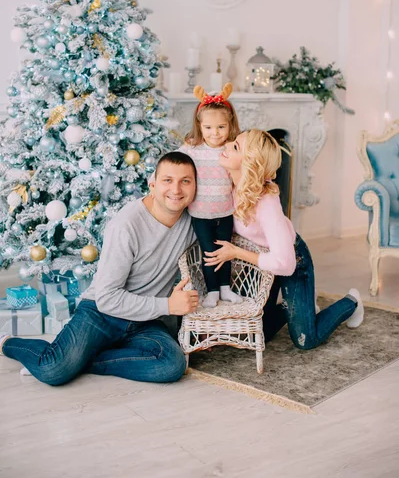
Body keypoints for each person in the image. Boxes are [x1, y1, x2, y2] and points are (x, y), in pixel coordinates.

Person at [0, 152, 199, 385]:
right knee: (52, 370)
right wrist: (167, 305)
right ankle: (8, 343)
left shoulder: (195, 222)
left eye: (185, 181)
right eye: (168, 180)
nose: (176, 190)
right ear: (152, 184)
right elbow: (107, 298)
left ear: (195, 186)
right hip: (101, 312)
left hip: (145, 320)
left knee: (171, 365)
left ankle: (81, 360)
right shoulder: (126, 225)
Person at [204, 129, 364, 350]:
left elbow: (284, 263)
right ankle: (300, 309)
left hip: (291, 260)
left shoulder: (266, 203)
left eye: (235, 147)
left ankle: (352, 303)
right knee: (259, 333)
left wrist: (236, 253)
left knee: (306, 339)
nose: (226, 145)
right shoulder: (227, 184)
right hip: (261, 262)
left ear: (250, 162)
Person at [179, 82, 241, 308]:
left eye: (221, 127)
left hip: (225, 211)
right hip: (201, 213)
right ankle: (212, 290)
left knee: (225, 251)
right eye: (208, 128)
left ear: (230, 125)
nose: (215, 133)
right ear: (200, 126)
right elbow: (174, 163)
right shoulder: (192, 149)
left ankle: (226, 288)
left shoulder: (233, 148)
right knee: (209, 252)